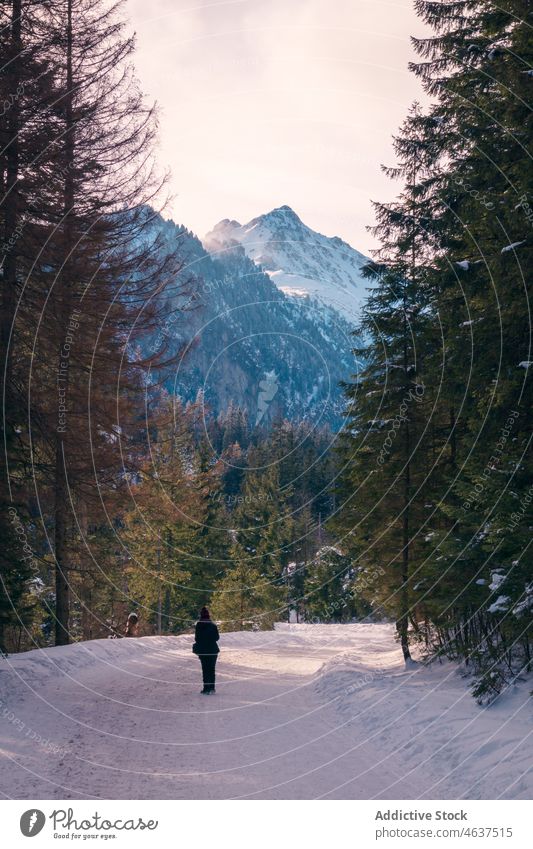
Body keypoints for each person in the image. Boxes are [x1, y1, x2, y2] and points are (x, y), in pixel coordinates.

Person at [193, 606, 219, 694]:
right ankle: (212, 688)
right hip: (213, 650)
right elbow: (217, 638)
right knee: (212, 669)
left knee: (205, 669)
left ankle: (206, 688)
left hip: (203, 651)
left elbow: (197, 639)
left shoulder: (199, 625)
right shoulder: (213, 625)